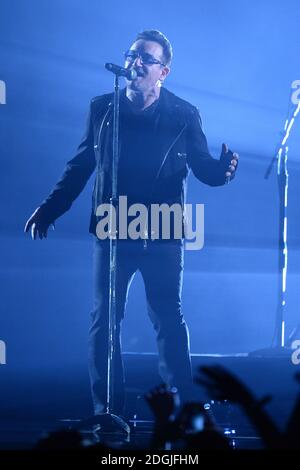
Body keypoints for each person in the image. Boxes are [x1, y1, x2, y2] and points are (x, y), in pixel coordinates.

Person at [24, 30, 239, 418]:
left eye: (146, 59)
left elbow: (203, 167)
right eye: (131, 55)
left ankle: (183, 410)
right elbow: (80, 167)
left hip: (162, 230)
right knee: (104, 319)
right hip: (113, 228)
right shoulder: (102, 109)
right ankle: (108, 411)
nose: (135, 63)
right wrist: (50, 208)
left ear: (164, 72)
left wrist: (223, 172)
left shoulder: (184, 114)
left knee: (168, 317)